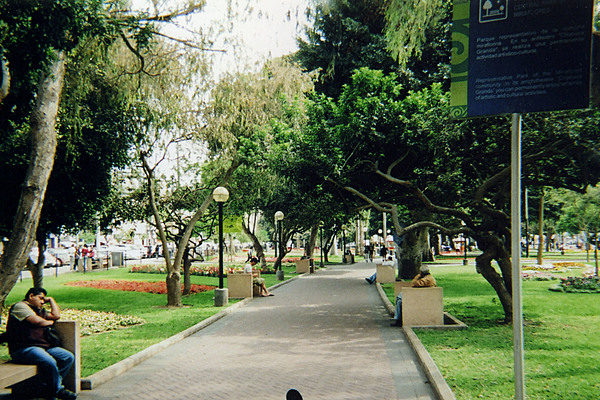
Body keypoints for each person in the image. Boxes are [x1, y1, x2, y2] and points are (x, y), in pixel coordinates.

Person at [6, 288, 77, 400]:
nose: (43, 302)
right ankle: (57, 390)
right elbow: (38, 321)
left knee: (67, 357)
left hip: (42, 347)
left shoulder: (39, 310)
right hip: (24, 349)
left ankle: (49, 389)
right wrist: (49, 322)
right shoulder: (20, 307)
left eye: (44, 299)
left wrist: (51, 300)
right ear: (31, 296)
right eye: (40, 298)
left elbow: (56, 315)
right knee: (49, 361)